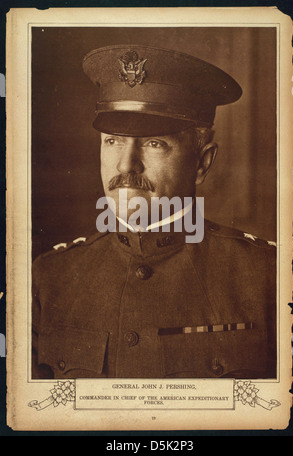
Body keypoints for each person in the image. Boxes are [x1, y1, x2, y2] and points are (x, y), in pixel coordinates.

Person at [32, 45, 276, 379]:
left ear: (202, 162)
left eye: (153, 143)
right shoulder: (49, 279)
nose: (125, 164)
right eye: (113, 141)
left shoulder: (267, 276)